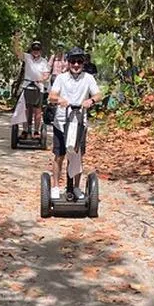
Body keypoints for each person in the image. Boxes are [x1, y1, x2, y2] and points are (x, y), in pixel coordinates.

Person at [48, 47, 102, 200]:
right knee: (59, 155)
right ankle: (56, 187)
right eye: (73, 61)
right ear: (69, 62)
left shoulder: (88, 78)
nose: (76, 64)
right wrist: (59, 100)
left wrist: (90, 100)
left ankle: (76, 187)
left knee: (77, 155)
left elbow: (98, 94)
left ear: (83, 63)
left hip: (79, 123)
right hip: (61, 122)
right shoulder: (61, 78)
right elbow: (52, 95)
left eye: (79, 61)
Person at [12, 32, 50, 138]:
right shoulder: (27, 57)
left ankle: (36, 131)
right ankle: (25, 130)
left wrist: (41, 79)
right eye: (34, 49)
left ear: (40, 51)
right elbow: (17, 51)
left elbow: (46, 75)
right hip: (27, 85)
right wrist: (16, 40)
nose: (36, 51)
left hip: (38, 87)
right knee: (25, 109)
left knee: (37, 110)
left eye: (38, 49)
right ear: (31, 50)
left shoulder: (44, 62)